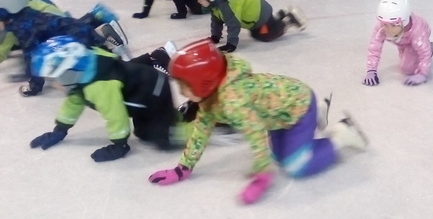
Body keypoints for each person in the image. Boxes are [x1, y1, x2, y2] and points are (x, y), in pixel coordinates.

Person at [148, 39, 368, 205]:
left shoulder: (234, 101)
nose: (181, 92)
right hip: (278, 113)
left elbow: (256, 135)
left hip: (298, 108)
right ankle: (318, 113)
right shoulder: (210, 97)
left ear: (203, 83)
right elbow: (201, 130)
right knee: (279, 156)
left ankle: (341, 134)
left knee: (296, 166)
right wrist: (183, 168)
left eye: (184, 86)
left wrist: (262, 175)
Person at [28, 36, 190, 161]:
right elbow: (73, 103)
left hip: (154, 92)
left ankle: (201, 127)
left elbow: (116, 115)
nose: (53, 84)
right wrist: (60, 130)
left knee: (164, 139)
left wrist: (120, 145)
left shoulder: (99, 86)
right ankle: (180, 115)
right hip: (141, 89)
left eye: (53, 79)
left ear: (68, 72)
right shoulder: (83, 77)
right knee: (143, 132)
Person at [0, 0, 129, 96]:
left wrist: (34, 86)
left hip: (76, 36)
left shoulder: (23, 28)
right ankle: (101, 31)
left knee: (101, 63)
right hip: (72, 30)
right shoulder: (25, 15)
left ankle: (108, 38)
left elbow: (32, 57)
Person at [189, 0, 307, 53]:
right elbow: (216, 21)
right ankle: (281, 14)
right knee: (255, 34)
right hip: (254, 17)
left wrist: (231, 44)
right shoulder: (215, 5)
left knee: (267, 35)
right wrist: (215, 37)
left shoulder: (226, 5)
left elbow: (233, 24)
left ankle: (290, 19)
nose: (198, 1)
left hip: (261, 14)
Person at [364, 0, 433, 87]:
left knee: (407, 68)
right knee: (405, 58)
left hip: (416, 39)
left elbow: (424, 53)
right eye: (385, 24)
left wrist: (423, 74)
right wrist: (371, 70)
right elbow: (374, 48)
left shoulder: (417, 32)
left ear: (404, 22)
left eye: (393, 25)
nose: (388, 29)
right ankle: (412, 49)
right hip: (402, 41)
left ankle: (429, 46)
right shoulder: (381, 28)